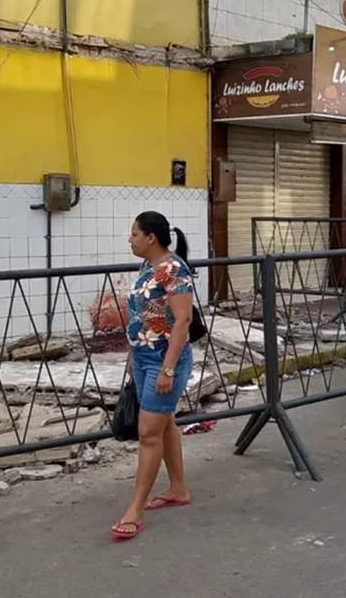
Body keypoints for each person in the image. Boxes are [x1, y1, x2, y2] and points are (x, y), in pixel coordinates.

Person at [113, 211, 196, 541]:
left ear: (151, 238)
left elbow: (183, 321)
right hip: (146, 358)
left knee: (149, 433)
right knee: (165, 424)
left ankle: (135, 507)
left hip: (166, 361)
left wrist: (167, 369)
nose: (129, 239)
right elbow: (142, 314)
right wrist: (134, 355)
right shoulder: (147, 267)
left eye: (134, 234)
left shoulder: (175, 271)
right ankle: (178, 488)